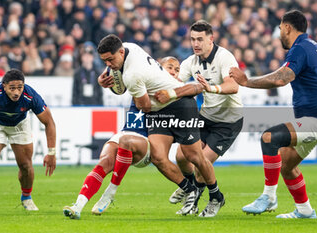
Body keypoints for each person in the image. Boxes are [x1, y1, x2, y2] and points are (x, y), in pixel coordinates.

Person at [97, 34, 220, 217]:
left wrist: (131, 90)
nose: (108, 64)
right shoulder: (129, 47)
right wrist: (105, 82)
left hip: (180, 106)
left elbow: (144, 106)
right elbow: (123, 87)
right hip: (159, 111)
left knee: (194, 157)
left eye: (111, 59)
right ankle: (190, 190)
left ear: (121, 52)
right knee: (158, 157)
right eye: (104, 61)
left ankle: (216, 195)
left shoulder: (133, 75)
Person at [229, 10, 317, 219]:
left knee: (269, 137)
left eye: (279, 29)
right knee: (286, 166)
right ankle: (305, 211)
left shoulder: (300, 48)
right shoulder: (311, 46)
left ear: (287, 27)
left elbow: (280, 79)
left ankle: (268, 197)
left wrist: (246, 81)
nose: (279, 34)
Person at [63, 56, 181, 220]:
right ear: (158, 69)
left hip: (146, 144)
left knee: (126, 142)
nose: (173, 72)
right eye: (170, 67)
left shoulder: (177, 95)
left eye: (177, 70)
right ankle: (78, 206)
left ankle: (110, 192)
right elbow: (118, 71)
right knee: (103, 162)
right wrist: (101, 78)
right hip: (126, 133)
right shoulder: (141, 80)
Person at [155, 20, 243, 216]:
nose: (195, 43)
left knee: (202, 164)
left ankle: (213, 199)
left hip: (228, 120)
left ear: (211, 39)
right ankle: (191, 189)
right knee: (181, 157)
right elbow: (174, 84)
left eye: (200, 39)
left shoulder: (224, 58)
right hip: (205, 116)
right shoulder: (190, 62)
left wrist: (211, 88)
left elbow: (234, 86)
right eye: (193, 39)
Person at [0, 69, 56, 210]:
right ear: (3, 86)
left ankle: (27, 198)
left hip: (19, 125)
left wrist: (51, 152)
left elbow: (49, 122)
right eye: (12, 88)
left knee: (25, 165)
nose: (16, 92)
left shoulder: (30, 96)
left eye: (19, 88)